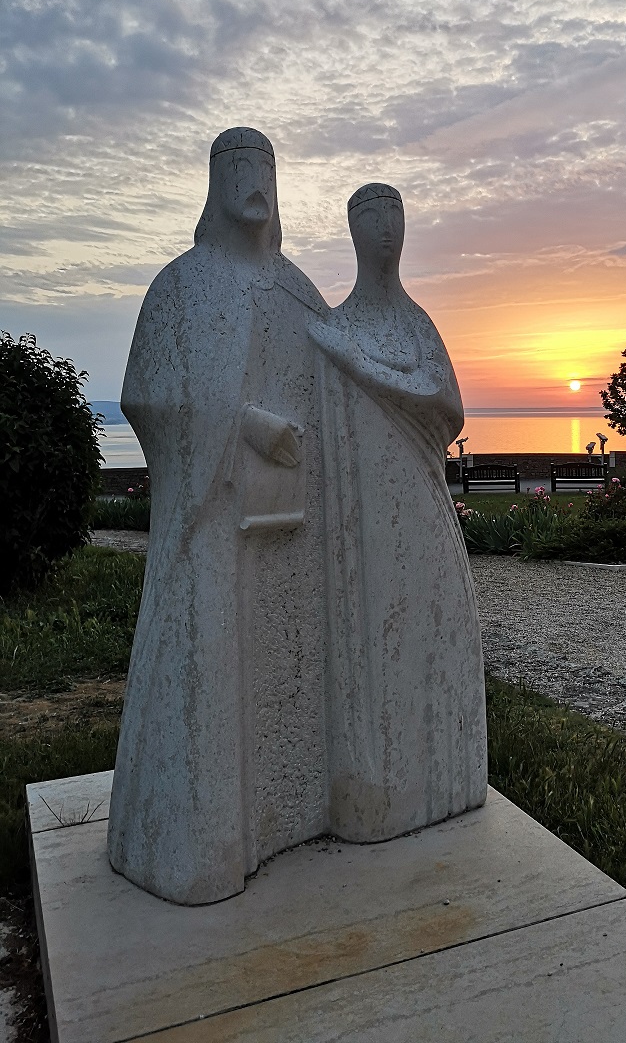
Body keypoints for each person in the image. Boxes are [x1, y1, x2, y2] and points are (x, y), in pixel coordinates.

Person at [107, 128, 330, 905]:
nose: (253, 182)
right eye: (237, 168)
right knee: (208, 662)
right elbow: (148, 394)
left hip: (287, 523)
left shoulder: (298, 288)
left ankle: (289, 811)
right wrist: (239, 423)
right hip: (211, 520)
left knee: (288, 663)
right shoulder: (180, 287)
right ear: (214, 184)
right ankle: (205, 837)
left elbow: (334, 382)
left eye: (264, 167)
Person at [309, 183, 487, 841]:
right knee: (378, 635)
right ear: (352, 230)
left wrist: (360, 364)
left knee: (437, 624)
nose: (385, 228)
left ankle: (445, 772)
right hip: (364, 511)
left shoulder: (410, 324)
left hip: (419, 497)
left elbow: (445, 401)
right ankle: (385, 781)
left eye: (395, 216)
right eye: (370, 216)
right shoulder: (335, 325)